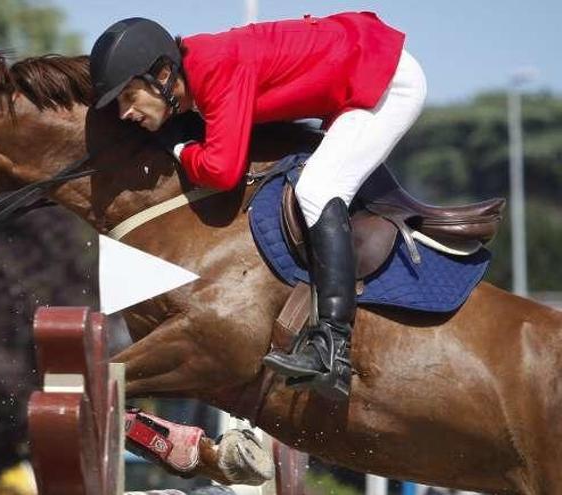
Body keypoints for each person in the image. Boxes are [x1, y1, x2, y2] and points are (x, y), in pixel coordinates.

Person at [89, 12, 427, 400]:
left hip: (387, 84)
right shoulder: (199, 72)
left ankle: (332, 347)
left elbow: (221, 171)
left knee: (318, 188)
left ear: (163, 75)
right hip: (358, 82)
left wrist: (180, 148)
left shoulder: (213, 68)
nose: (125, 114)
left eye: (129, 97)